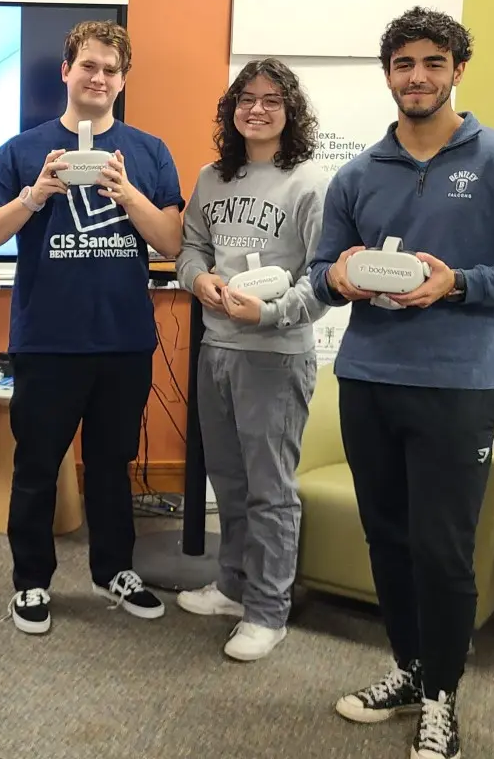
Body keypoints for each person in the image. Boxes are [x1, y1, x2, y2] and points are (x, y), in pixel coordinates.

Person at [308, 6, 494, 759]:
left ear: (458, 68)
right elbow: (320, 276)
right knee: (386, 538)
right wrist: (338, 275)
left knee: (442, 548)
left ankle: (442, 699)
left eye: (432, 62)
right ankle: (410, 668)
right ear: (387, 74)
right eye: (403, 64)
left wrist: (459, 283)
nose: (416, 77)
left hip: (457, 388)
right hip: (366, 380)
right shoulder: (359, 173)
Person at [0, 20, 185, 635]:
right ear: (66, 71)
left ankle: (114, 571)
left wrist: (127, 194)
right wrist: (35, 195)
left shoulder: (148, 151)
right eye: (88, 65)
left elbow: (170, 240)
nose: (99, 77)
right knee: (37, 466)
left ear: (123, 80)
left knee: (114, 465)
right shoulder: (22, 149)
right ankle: (31, 582)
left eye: (111, 69)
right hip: (48, 339)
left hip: (123, 338)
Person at [174, 58, 329, 661]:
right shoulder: (213, 178)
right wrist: (199, 282)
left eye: (271, 100)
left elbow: (325, 279)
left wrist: (265, 314)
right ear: (231, 109)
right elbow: (190, 248)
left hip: (274, 356)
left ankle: (269, 610)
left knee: (270, 490)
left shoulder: (310, 182)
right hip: (217, 350)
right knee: (230, 482)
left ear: (290, 112)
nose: (256, 109)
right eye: (245, 98)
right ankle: (234, 586)